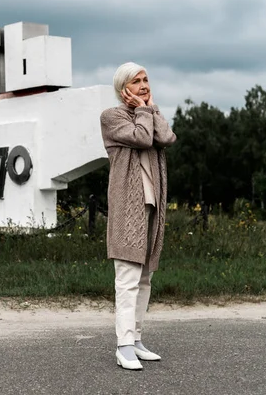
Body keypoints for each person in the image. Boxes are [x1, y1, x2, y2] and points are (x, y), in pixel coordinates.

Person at [100, 62, 177, 370]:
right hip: (127, 207)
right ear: (124, 89)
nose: (145, 85)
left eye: (146, 79)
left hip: (152, 205)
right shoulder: (112, 117)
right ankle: (123, 345)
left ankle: (137, 339)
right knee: (128, 277)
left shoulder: (149, 113)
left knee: (145, 276)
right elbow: (144, 138)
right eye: (137, 81)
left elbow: (167, 137)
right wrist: (145, 111)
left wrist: (150, 108)